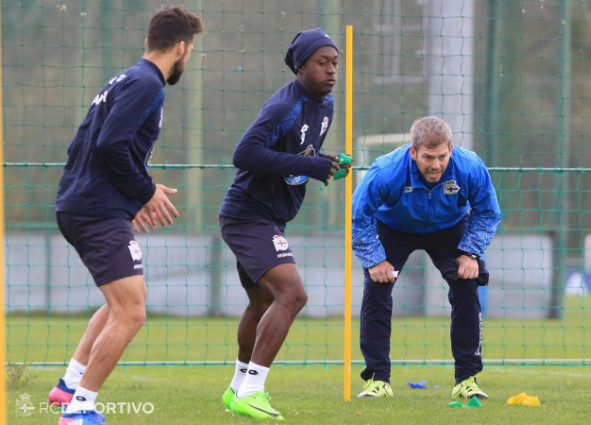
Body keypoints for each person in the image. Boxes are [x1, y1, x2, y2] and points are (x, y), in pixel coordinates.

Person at [47, 6, 203, 425]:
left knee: (128, 302)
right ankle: (79, 411)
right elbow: (109, 146)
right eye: (191, 52)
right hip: (94, 211)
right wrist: (143, 191)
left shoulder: (126, 78)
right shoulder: (146, 83)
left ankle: (68, 386)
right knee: (131, 312)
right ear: (182, 48)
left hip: (90, 205)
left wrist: (126, 199)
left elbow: (85, 145)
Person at [218, 28, 346, 420]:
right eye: (322, 63)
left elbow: (301, 153)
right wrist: (310, 165)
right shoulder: (283, 105)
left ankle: (237, 389)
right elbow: (245, 154)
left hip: (271, 216)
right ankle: (254, 389)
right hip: (247, 214)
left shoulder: (325, 105)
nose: (331, 71)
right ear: (301, 65)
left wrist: (325, 166)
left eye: (335, 63)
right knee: (293, 295)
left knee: (262, 302)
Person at [351, 116, 501, 399]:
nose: (436, 165)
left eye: (442, 157)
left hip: (449, 227)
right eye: (428, 157)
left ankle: (467, 379)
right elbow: (360, 216)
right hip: (393, 227)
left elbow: (488, 213)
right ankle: (377, 380)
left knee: (468, 286)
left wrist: (470, 253)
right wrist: (374, 259)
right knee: (376, 289)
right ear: (413, 152)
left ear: (451, 150)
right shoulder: (386, 171)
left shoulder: (470, 167)